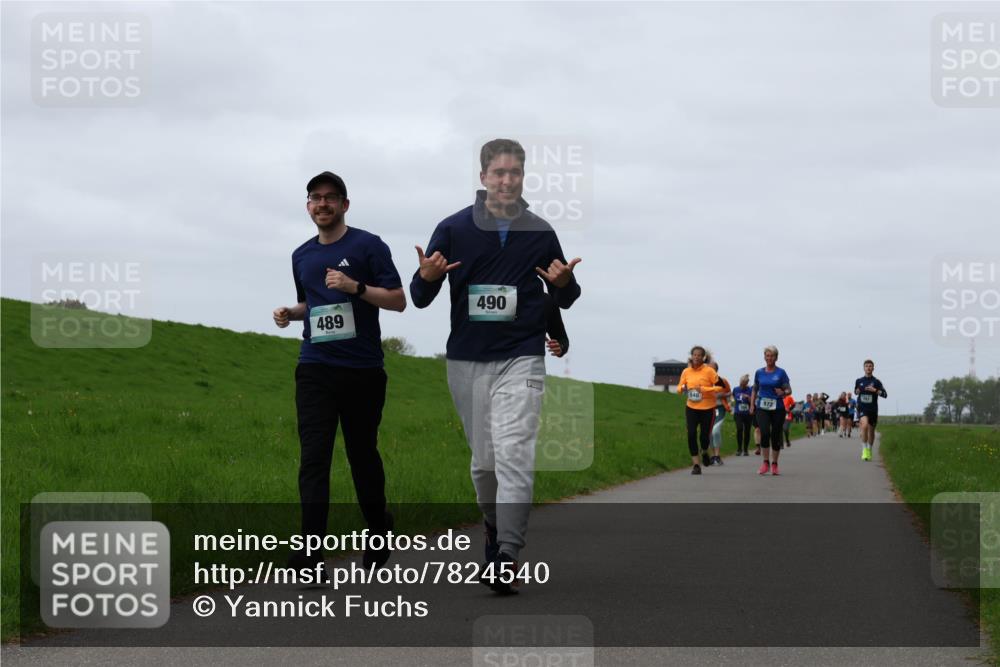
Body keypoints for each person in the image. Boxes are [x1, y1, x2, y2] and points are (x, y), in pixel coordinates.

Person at [409, 138, 582, 594]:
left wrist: (565, 286)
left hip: (522, 356)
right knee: (484, 465)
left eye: (516, 173)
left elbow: (558, 292)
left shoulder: (540, 232)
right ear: (483, 177)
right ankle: (491, 525)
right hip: (466, 360)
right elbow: (419, 297)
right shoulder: (452, 228)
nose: (507, 180)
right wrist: (426, 277)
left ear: (524, 178)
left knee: (515, 454)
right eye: (499, 173)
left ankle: (507, 553)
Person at [274, 171, 406, 571]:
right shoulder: (302, 255)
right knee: (314, 458)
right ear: (308, 206)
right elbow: (311, 305)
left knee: (361, 455)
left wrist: (356, 288)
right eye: (315, 198)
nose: (323, 204)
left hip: (363, 370)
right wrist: (289, 313)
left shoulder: (368, 246)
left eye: (331, 198)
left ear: (345, 204)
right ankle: (311, 552)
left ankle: (378, 526)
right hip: (315, 367)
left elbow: (399, 301)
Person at [677, 346, 722, 474]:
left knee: (704, 437)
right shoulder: (686, 371)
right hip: (691, 407)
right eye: (694, 355)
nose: (696, 357)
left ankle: (704, 451)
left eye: (699, 355)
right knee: (691, 434)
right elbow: (680, 387)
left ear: (703, 357)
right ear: (691, 356)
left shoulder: (709, 371)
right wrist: (682, 388)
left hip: (707, 408)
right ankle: (696, 465)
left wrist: (703, 389)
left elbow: (720, 387)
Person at [750, 345, 792, 476]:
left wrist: (783, 392)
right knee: (764, 432)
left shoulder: (781, 373)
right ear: (764, 357)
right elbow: (755, 389)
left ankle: (774, 464)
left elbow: (789, 390)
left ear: (776, 357)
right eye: (767, 356)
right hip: (762, 407)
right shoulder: (759, 372)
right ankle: (765, 463)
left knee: (775, 436)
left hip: (778, 408)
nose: (769, 358)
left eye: (772, 356)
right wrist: (752, 404)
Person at [855, 359, 888, 461]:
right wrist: (857, 391)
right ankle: (864, 449)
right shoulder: (859, 381)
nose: (868, 367)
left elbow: (885, 395)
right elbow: (856, 392)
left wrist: (875, 390)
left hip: (873, 410)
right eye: (866, 366)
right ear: (864, 368)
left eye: (870, 366)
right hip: (862, 408)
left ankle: (869, 449)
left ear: (873, 368)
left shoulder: (877, 382)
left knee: (871, 432)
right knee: (864, 426)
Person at [708, 361, 732, 464]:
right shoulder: (705, 381)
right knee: (709, 433)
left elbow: (729, 392)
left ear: (716, 370)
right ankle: (713, 456)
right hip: (708, 409)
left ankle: (717, 455)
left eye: (712, 369)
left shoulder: (722, 381)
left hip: (720, 408)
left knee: (715, 431)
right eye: (709, 369)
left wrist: (722, 395)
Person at [731, 375, 754, 455]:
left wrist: (748, 397)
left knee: (747, 431)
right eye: (741, 383)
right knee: (739, 429)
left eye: (744, 384)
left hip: (748, 414)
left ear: (747, 383)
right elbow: (733, 398)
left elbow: (753, 401)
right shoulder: (736, 389)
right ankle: (739, 449)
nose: (742, 385)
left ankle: (745, 449)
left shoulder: (750, 390)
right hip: (738, 413)